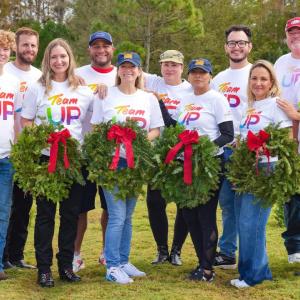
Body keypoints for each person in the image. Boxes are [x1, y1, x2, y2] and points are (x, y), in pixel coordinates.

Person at [21, 38, 96, 287]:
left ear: (70, 58)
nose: (59, 61)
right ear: (47, 61)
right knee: (45, 215)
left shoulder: (84, 90)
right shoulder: (37, 88)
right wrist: (42, 140)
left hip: (74, 159)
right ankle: (44, 269)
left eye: (63, 56)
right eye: (54, 57)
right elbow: (27, 121)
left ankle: (66, 266)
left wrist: (106, 91)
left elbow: (99, 118)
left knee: (71, 215)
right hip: (46, 158)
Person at [91, 51, 164, 284]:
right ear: (118, 70)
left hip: (137, 164)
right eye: (123, 66)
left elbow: (156, 129)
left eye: (132, 66)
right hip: (111, 164)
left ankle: (123, 260)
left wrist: (139, 140)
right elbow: (95, 129)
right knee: (117, 215)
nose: (128, 70)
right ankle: (111, 266)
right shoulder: (105, 95)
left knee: (129, 216)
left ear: (139, 70)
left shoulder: (148, 98)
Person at [166, 58, 233, 281]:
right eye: (194, 72)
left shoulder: (217, 99)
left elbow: (227, 134)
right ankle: (201, 262)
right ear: (189, 75)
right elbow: (174, 127)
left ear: (210, 76)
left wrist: (202, 150)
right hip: (185, 164)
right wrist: (156, 103)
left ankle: (207, 269)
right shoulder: (184, 99)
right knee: (188, 215)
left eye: (203, 73)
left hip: (209, 165)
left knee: (205, 216)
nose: (198, 76)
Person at [231, 60, 292, 288]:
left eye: (263, 79)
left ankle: (255, 275)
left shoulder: (276, 104)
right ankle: (251, 271)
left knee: (252, 223)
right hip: (244, 169)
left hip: (265, 168)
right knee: (243, 222)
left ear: (272, 82)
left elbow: (285, 139)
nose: (258, 83)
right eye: (254, 78)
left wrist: (266, 150)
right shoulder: (251, 106)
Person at [72, 31, 117, 272]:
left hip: (112, 154)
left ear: (113, 48)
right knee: (80, 208)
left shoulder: (124, 73)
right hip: (83, 151)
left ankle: (106, 253)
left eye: (105, 46)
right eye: (96, 46)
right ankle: (75, 255)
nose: (101, 50)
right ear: (89, 49)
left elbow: (150, 86)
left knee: (110, 207)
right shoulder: (77, 74)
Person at [144, 50, 191, 265]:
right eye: (165, 65)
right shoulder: (153, 82)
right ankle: (161, 249)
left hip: (182, 153)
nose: (169, 69)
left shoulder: (189, 89)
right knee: (155, 201)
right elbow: (124, 70)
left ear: (182, 68)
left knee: (184, 202)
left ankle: (176, 250)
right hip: (157, 152)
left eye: (174, 65)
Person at [212, 25, 252, 269]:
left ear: (249, 46)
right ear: (226, 47)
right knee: (226, 202)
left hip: (246, 148)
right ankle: (227, 253)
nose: (237, 46)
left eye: (241, 42)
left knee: (245, 203)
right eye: (232, 42)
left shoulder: (255, 74)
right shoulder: (218, 79)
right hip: (223, 147)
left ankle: (248, 251)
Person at [3, 27, 41, 270]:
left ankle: (16, 255)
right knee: (4, 205)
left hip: (29, 150)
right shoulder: (5, 70)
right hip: (7, 147)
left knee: (23, 204)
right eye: (25, 44)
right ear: (15, 46)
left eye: (33, 46)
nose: (29, 49)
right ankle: (3, 255)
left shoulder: (39, 75)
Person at [274, 17, 300, 267]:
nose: (295, 36)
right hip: (287, 139)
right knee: (291, 194)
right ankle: (294, 246)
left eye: (299, 31)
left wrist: (297, 116)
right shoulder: (281, 63)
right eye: (291, 32)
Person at [0, 30, 21, 281]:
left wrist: (18, 149)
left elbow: (17, 120)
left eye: (6, 48)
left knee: (3, 212)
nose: (2, 52)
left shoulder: (14, 84)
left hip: (6, 157)